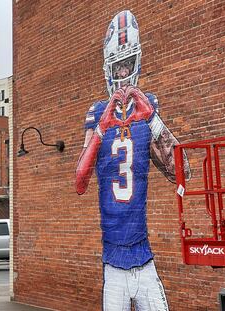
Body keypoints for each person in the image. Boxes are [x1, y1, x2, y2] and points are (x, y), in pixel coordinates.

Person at [75, 10, 191, 311]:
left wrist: (152, 120)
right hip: (113, 261)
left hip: (144, 256)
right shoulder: (97, 113)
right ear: (107, 67)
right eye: (118, 65)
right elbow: (80, 180)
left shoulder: (147, 108)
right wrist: (101, 127)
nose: (123, 73)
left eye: (128, 64)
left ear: (137, 62)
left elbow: (182, 172)